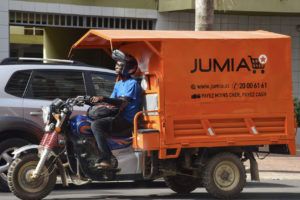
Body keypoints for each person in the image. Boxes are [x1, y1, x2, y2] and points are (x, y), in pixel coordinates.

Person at [90, 50, 141, 168]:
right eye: (116, 65)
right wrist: (89, 100)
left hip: (126, 120)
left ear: (128, 68)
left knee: (96, 125)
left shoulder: (132, 84)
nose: (116, 67)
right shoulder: (118, 84)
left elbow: (122, 103)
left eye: (120, 65)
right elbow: (111, 103)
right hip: (117, 116)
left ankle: (106, 158)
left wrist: (103, 98)